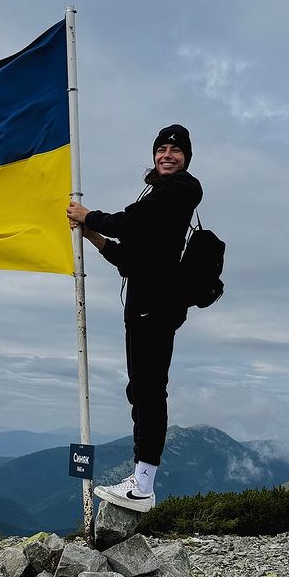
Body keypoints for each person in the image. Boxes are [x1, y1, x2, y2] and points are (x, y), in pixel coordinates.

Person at [66, 124, 202, 511]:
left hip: (156, 305)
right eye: (162, 149)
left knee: (148, 390)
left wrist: (91, 216)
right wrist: (92, 236)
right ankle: (140, 481)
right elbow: (130, 259)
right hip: (145, 303)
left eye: (176, 150)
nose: (167, 155)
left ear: (187, 158)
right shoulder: (159, 196)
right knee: (140, 388)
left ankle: (143, 484)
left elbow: (130, 222)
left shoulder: (182, 190)